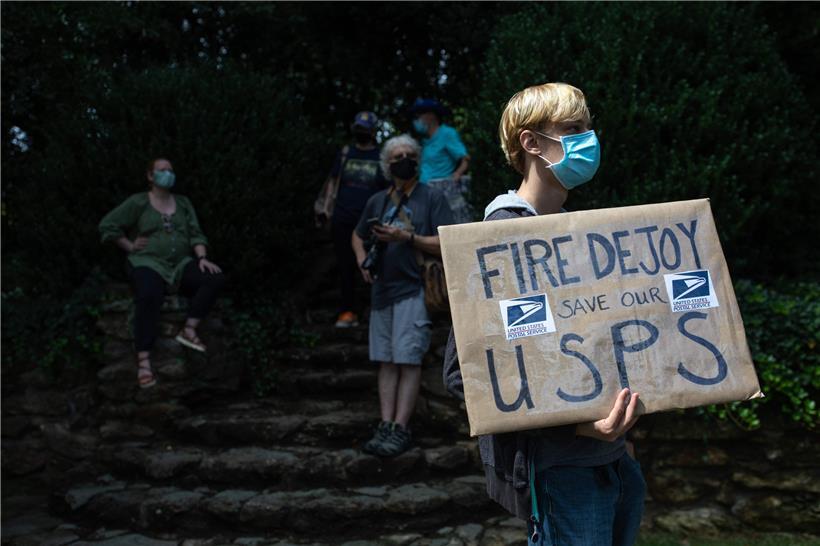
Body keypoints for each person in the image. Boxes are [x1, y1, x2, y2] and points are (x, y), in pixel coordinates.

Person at [443, 83, 646, 546]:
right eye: (573, 129)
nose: (588, 140)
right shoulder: (497, 239)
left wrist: (620, 435)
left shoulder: (577, 240)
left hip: (612, 460)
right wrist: (576, 424)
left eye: (588, 128)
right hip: (561, 467)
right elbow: (466, 372)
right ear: (532, 143)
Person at [352, 134, 454, 457]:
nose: (404, 159)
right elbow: (356, 237)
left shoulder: (431, 198)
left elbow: (445, 243)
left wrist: (405, 237)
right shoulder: (378, 201)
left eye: (410, 154)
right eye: (397, 156)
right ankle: (385, 424)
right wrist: (361, 262)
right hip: (382, 292)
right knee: (386, 361)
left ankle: (401, 427)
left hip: (414, 290)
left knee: (408, 360)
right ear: (387, 164)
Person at [99, 158, 225, 389]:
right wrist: (129, 245)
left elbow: (196, 233)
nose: (168, 174)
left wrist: (202, 258)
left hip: (180, 264)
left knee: (213, 278)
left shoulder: (183, 203)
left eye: (171, 170)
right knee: (148, 294)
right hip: (148, 262)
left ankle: (188, 330)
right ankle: (144, 361)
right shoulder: (138, 202)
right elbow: (108, 225)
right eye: (162, 170)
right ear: (150, 176)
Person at [321, 111, 389, 328]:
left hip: (370, 220)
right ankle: (347, 311)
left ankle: (372, 311)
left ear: (372, 132)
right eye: (359, 128)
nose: (362, 132)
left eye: (365, 129)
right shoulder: (345, 153)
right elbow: (333, 182)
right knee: (345, 265)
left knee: (373, 264)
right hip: (342, 216)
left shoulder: (380, 157)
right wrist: (326, 208)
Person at [410, 98, 473, 223]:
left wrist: (456, 175)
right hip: (424, 191)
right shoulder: (425, 141)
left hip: (443, 191)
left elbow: (465, 159)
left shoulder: (447, 133)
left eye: (419, 116)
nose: (416, 120)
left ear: (431, 116)